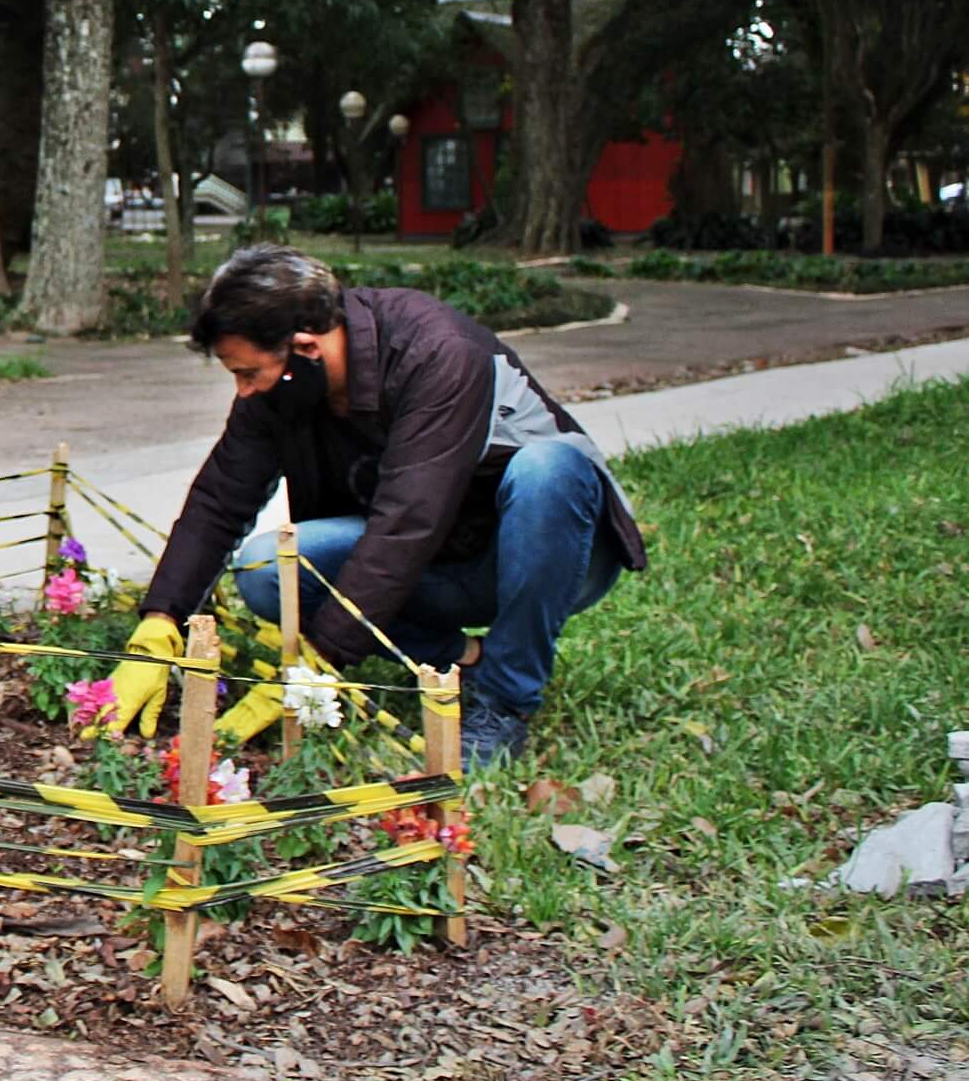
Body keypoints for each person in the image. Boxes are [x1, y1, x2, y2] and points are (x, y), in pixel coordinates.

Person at [100, 245, 645, 766]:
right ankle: (465, 661)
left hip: (548, 554)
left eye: (248, 373)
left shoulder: (439, 352)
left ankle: (504, 701)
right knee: (267, 569)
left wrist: (319, 661)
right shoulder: (281, 390)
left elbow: (408, 523)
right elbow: (221, 499)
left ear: (306, 349)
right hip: (435, 564)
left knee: (547, 470)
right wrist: (160, 621)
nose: (243, 391)